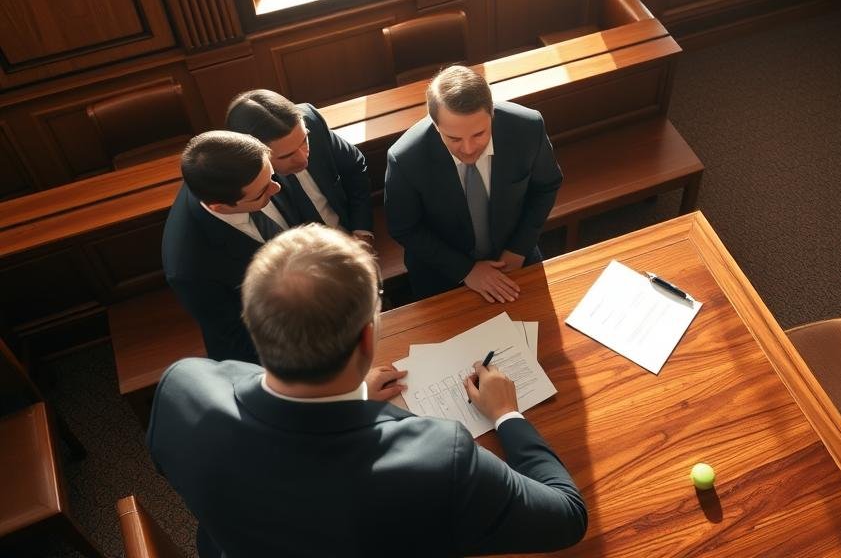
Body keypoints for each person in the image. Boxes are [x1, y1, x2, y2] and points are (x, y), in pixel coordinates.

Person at [148, 225, 587, 558]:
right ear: (366, 338)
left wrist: (354, 398)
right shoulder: (439, 457)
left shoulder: (182, 386)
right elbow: (567, 517)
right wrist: (508, 414)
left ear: (252, 319)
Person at [385, 66, 563, 301]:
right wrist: (466, 270)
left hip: (514, 253)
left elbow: (546, 185)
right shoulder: (405, 158)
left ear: (493, 114)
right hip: (442, 272)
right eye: (454, 138)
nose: (468, 149)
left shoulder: (527, 128)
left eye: (479, 134)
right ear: (435, 125)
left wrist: (518, 248)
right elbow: (404, 227)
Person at [161, 130, 288, 363]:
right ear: (219, 207)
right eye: (262, 192)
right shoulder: (189, 268)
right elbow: (239, 336)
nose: (276, 188)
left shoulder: (235, 168)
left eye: (271, 175)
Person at [225, 89, 373, 246]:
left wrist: (362, 233)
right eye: (285, 156)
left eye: (304, 140)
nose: (304, 160)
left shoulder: (311, 120)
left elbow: (354, 169)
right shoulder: (247, 189)